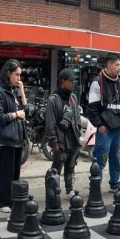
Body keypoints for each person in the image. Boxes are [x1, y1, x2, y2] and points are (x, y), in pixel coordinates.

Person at [86, 53, 120, 192]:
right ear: (109, 65)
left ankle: (114, 184)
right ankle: (95, 186)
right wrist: (99, 125)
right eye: (117, 65)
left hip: (118, 130)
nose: (119, 68)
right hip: (105, 130)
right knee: (101, 159)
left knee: (116, 158)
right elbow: (91, 108)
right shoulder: (98, 82)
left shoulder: (119, 83)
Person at [0, 59, 28, 212]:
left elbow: (26, 111)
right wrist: (16, 114)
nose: (19, 79)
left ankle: (13, 200)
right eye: (16, 75)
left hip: (18, 138)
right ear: (8, 73)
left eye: (20, 75)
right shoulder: (0, 92)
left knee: (15, 173)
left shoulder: (14, 91)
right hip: (6, 139)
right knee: (4, 174)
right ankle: (3, 202)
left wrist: (23, 93)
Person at [44, 68, 81, 198]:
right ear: (62, 82)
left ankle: (69, 190)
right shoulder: (53, 100)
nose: (73, 83)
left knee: (70, 167)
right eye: (70, 81)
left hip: (73, 140)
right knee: (56, 168)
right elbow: (50, 123)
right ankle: (53, 191)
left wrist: (78, 135)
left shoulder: (74, 98)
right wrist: (54, 143)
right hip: (60, 141)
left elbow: (77, 117)